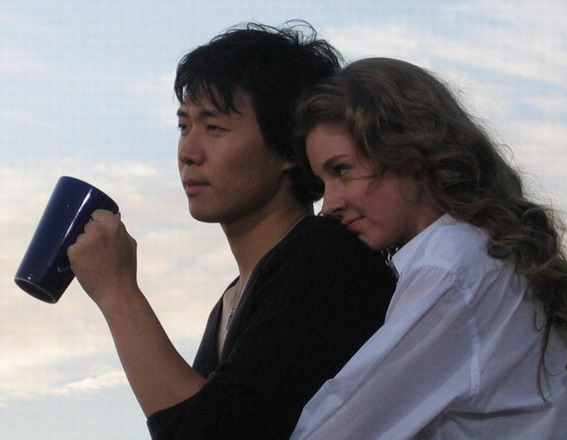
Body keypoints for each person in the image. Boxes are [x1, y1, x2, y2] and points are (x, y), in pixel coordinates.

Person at [66, 25, 396, 439]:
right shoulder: (233, 299)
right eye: (184, 126)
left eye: (215, 128)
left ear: (287, 148)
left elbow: (219, 430)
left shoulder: (328, 258)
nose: (188, 153)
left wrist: (117, 292)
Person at [290, 57, 567, 439]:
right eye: (323, 183)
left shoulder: (452, 266)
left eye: (342, 170)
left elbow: (337, 428)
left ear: (409, 151)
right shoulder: (487, 253)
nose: (329, 205)